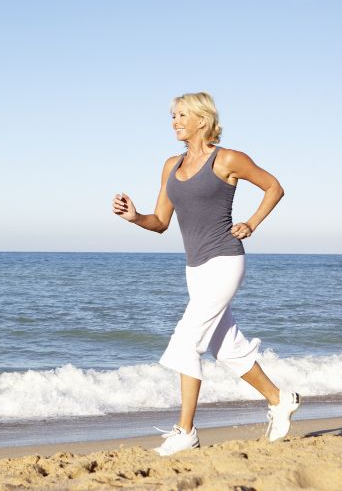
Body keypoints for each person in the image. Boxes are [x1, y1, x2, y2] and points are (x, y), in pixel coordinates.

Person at [112, 92, 301, 456]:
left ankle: (186, 431)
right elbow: (161, 222)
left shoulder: (227, 158)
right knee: (225, 347)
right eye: (172, 116)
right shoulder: (172, 165)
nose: (175, 122)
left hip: (225, 260)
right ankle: (280, 399)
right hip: (195, 268)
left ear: (202, 119)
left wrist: (252, 223)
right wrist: (135, 217)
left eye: (181, 115)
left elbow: (274, 187)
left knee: (185, 341)